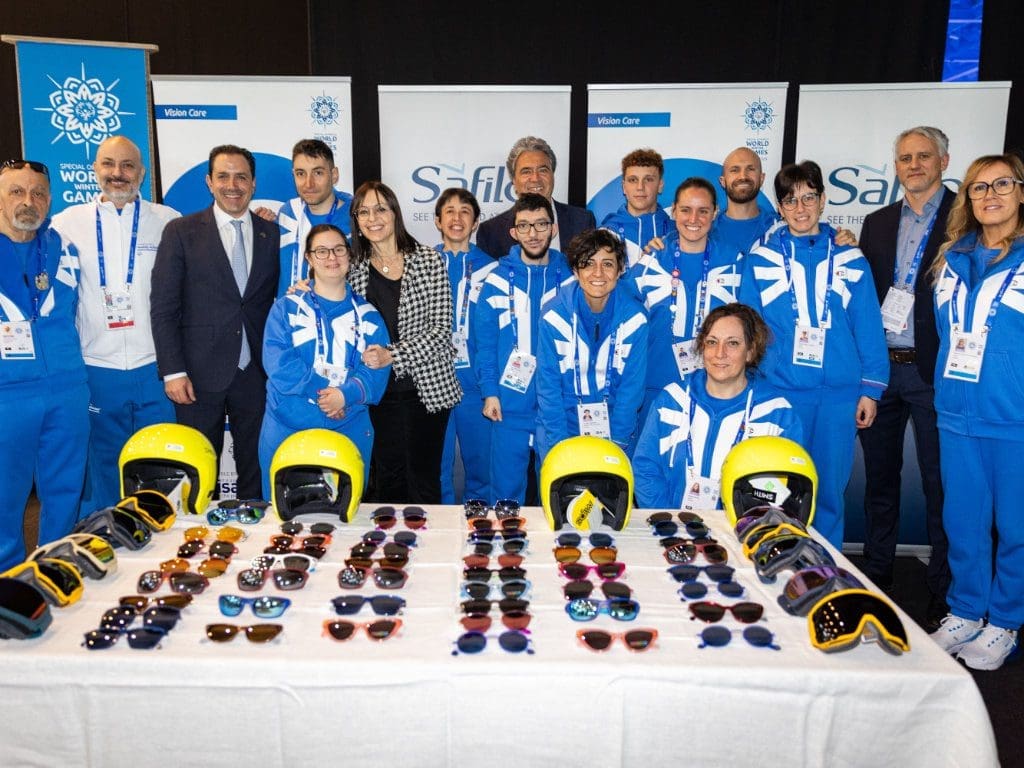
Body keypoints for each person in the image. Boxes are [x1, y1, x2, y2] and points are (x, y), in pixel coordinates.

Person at [739, 161, 888, 548]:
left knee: (827, 495)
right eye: (790, 200)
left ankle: (825, 573)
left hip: (838, 397)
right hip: (779, 392)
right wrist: (754, 385)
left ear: (822, 200)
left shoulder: (851, 258)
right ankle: (776, 564)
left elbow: (868, 326)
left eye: (808, 197)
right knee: (776, 490)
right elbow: (749, 330)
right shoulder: (760, 261)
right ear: (780, 207)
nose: (800, 208)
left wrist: (871, 389)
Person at [928, 152, 1024, 671]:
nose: (990, 196)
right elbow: (945, 335)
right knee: (962, 520)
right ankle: (965, 610)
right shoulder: (950, 259)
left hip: (1015, 419)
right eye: (978, 188)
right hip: (957, 414)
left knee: (1017, 528)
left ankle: (1005, 621)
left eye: (1002, 184)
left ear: (1021, 192)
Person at [857, 126, 954, 629]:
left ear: (943, 160)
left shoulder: (966, 216)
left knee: (941, 487)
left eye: (923, 157)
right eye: (904, 158)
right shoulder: (876, 223)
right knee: (880, 480)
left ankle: (943, 593)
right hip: (881, 372)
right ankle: (876, 574)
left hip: (935, 372)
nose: (913, 165)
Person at [51, 136, 179, 514]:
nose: (118, 174)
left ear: (142, 173)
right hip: (97, 368)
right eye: (109, 164)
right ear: (95, 170)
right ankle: (104, 542)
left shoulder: (168, 221)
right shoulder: (65, 224)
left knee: (160, 466)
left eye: (127, 166)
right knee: (103, 470)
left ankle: (162, 547)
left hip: (155, 367)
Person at [151, 145, 280, 500]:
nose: (232, 184)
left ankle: (254, 534)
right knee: (198, 466)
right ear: (209, 182)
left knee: (254, 464)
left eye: (241, 176)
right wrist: (173, 371)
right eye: (223, 176)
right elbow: (163, 306)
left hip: (254, 372)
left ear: (253, 183)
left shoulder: (271, 234)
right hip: (196, 374)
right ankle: (198, 542)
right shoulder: (180, 231)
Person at [347, 181, 460, 503]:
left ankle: (427, 548)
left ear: (395, 213)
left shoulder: (428, 261)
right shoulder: (352, 267)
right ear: (356, 220)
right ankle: (391, 552)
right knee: (384, 481)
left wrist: (391, 355)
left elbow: (440, 334)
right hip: (375, 392)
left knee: (423, 481)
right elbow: (325, 295)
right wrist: (301, 288)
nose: (373, 218)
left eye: (381, 208)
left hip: (424, 391)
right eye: (363, 212)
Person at [0, 160, 88, 570]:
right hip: (8, 394)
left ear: (50, 200)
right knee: (6, 492)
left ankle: (54, 570)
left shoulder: (63, 248)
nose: (28, 201)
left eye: (37, 193)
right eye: (17, 191)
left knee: (65, 487)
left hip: (67, 387)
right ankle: (7, 581)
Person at [259, 224, 389, 493]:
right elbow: (278, 363)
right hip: (287, 427)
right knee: (280, 517)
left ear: (350, 256)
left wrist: (346, 395)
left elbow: (376, 370)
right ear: (308, 258)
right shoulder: (286, 308)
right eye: (322, 251)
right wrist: (326, 394)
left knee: (344, 519)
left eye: (339, 250)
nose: (332, 257)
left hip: (348, 427)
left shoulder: (369, 316)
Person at [634, 303, 801, 509]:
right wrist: (668, 520)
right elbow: (645, 468)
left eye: (732, 343)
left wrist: (745, 525)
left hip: (740, 533)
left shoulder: (776, 413)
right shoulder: (671, 399)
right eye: (712, 342)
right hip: (673, 528)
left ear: (750, 351)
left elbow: (785, 486)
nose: (719, 353)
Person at [475, 193, 573, 503]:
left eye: (541, 224)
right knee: (505, 494)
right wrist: (490, 391)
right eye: (525, 226)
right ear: (513, 233)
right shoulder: (495, 282)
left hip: (558, 405)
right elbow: (485, 346)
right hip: (509, 404)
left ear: (553, 229)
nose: (533, 234)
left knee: (557, 490)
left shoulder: (572, 279)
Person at [628, 177, 741, 426]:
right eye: (686, 210)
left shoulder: (735, 262)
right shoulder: (651, 261)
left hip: (715, 391)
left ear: (715, 213)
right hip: (655, 389)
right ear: (674, 211)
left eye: (703, 211)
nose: (693, 219)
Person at [536, 228, 648, 459]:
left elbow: (631, 389)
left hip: (617, 429)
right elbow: (548, 388)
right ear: (576, 270)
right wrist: (559, 446)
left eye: (607, 264)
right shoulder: (553, 315)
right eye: (588, 263)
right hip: (560, 428)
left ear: (620, 270)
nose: (598, 273)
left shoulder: (636, 319)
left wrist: (616, 442)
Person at [433, 188, 498, 503]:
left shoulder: (494, 270)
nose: (456, 219)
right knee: (435, 468)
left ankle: (481, 535)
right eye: (449, 211)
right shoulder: (422, 264)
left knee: (481, 468)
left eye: (464, 212)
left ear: (475, 222)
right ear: (437, 220)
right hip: (433, 385)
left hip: (475, 386)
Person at [476, 136, 595, 259]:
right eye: (526, 171)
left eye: (543, 170)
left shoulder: (582, 221)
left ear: (552, 176)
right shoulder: (490, 232)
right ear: (514, 181)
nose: (535, 178)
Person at [264, 139, 353, 297]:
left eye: (318, 173)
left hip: (338, 316)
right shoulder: (288, 213)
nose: (308, 183)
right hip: (289, 316)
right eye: (300, 174)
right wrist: (260, 226)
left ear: (334, 175)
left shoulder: (356, 216)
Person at [600, 148, 672, 266]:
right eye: (633, 180)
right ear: (624, 187)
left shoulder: (677, 232)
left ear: (660, 186)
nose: (640, 187)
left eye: (648, 179)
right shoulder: (606, 234)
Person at [713, 147, 779, 260]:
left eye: (750, 169)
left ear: (762, 178)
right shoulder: (708, 230)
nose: (743, 176)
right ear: (722, 181)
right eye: (735, 170)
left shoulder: (779, 228)